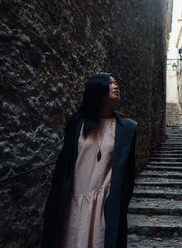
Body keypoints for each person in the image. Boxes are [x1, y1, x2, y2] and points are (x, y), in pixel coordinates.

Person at [41, 73, 137, 248]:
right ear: (96, 90)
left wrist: (120, 202)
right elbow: (63, 167)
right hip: (74, 203)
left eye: (115, 82)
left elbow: (129, 172)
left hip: (104, 204)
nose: (115, 86)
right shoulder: (77, 125)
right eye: (109, 83)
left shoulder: (127, 129)